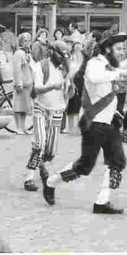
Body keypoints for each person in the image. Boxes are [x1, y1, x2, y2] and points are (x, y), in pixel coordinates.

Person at [42, 33, 127, 213]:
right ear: (108, 50)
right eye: (118, 49)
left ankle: (101, 202)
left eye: (123, 49)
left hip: (110, 122)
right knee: (85, 166)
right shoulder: (94, 64)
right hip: (94, 122)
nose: (121, 53)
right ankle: (51, 182)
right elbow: (95, 78)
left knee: (117, 161)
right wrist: (123, 72)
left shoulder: (111, 65)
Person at [23, 41, 71, 192]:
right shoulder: (41, 66)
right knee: (39, 143)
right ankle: (29, 177)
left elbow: (69, 89)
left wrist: (69, 92)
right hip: (41, 108)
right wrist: (52, 86)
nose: (62, 58)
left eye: (64, 55)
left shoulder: (66, 67)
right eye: (60, 54)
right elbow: (37, 88)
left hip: (57, 110)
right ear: (51, 52)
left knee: (51, 151)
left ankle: (42, 164)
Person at [12, 32, 33, 135]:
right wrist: (18, 83)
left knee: (25, 107)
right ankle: (18, 127)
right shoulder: (18, 53)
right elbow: (16, 69)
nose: (28, 42)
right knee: (18, 107)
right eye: (25, 40)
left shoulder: (28, 53)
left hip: (28, 83)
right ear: (21, 42)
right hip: (21, 84)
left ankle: (24, 127)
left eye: (29, 40)